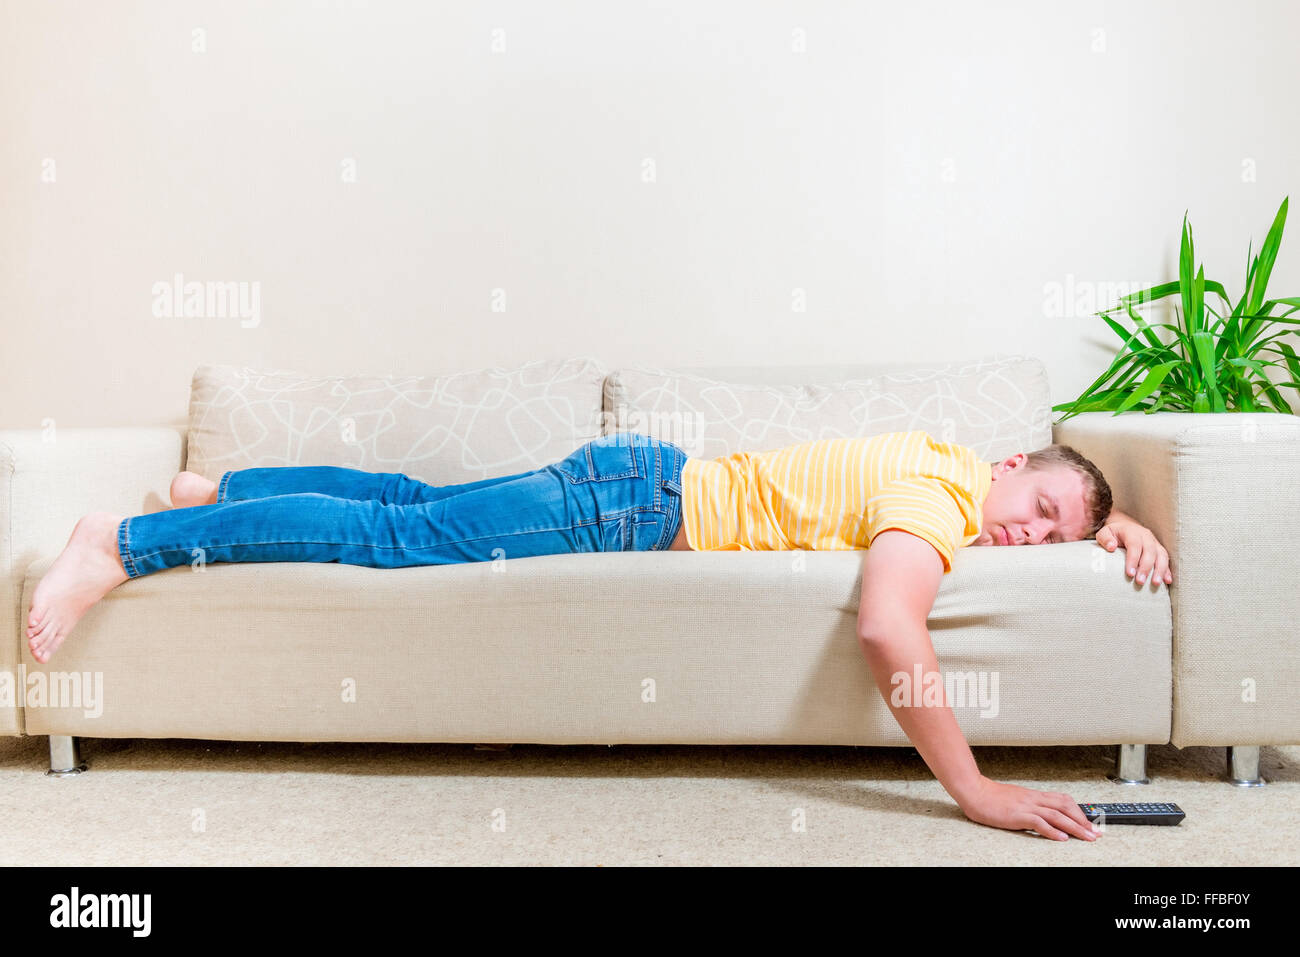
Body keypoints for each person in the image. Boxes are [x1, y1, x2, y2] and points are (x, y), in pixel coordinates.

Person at [25, 428, 1172, 841]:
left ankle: (216, 488)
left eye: (1053, 537)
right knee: (391, 537)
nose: (1028, 539)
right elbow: (887, 624)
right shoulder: (940, 502)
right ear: (1009, 468)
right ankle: (124, 544)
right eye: (1039, 516)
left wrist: (1120, 533)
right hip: (636, 507)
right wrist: (973, 789)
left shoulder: (946, 459)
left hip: (636, 484)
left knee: (413, 504)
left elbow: (1068, 502)